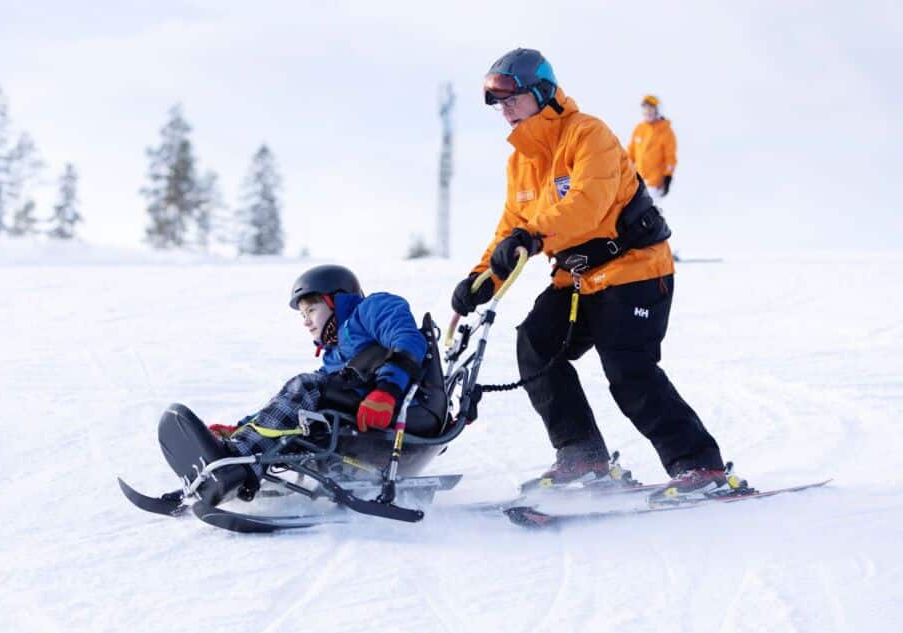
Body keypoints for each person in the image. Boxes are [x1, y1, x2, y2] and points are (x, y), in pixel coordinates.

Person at [451, 47, 728, 502]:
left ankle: (700, 467)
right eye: (497, 103)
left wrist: (533, 235)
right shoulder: (520, 160)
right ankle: (583, 456)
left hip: (635, 268)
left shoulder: (588, 134)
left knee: (628, 368)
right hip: (578, 279)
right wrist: (482, 280)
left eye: (511, 98)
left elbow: (586, 205)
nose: (503, 109)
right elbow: (509, 229)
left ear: (541, 92)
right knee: (536, 343)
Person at [196, 265, 429, 506]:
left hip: (400, 411)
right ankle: (238, 455)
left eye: (311, 310)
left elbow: (409, 339)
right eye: (302, 315)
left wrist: (386, 391)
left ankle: (237, 460)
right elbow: (291, 404)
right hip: (361, 416)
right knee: (304, 399)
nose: (306, 321)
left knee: (307, 385)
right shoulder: (334, 356)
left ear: (336, 302)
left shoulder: (372, 308)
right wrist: (241, 426)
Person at [627, 94, 677, 205]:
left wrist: (668, 177)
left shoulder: (666, 132)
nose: (648, 112)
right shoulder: (639, 129)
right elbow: (631, 153)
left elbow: (670, 158)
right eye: (645, 109)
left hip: (654, 183)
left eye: (651, 109)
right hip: (637, 181)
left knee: (649, 215)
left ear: (657, 111)